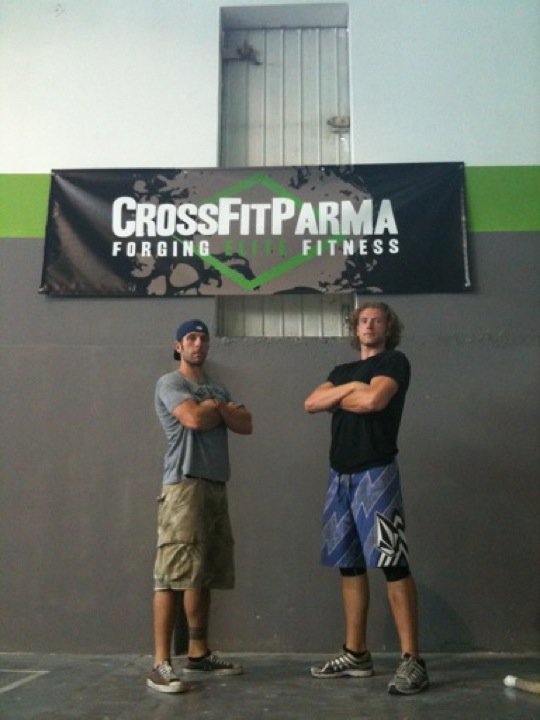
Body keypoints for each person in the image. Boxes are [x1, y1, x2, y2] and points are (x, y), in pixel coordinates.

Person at [304, 301, 429, 695]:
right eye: (363, 320)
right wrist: (355, 388)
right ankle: (356, 653)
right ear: (354, 328)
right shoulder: (342, 371)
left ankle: (413, 661)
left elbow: (375, 401)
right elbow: (311, 403)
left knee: (393, 563)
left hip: (376, 473)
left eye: (377, 320)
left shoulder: (395, 362)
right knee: (349, 565)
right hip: (339, 476)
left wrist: (342, 396)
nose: (369, 325)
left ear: (388, 327)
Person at [147, 319, 253, 694]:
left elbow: (246, 423)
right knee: (170, 574)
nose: (198, 344)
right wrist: (217, 411)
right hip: (183, 485)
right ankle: (160, 663)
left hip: (214, 484)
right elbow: (191, 419)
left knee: (203, 572)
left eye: (203, 339)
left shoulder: (217, 389)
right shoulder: (170, 383)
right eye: (191, 338)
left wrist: (215, 406)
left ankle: (198, 652)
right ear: (178, 346)